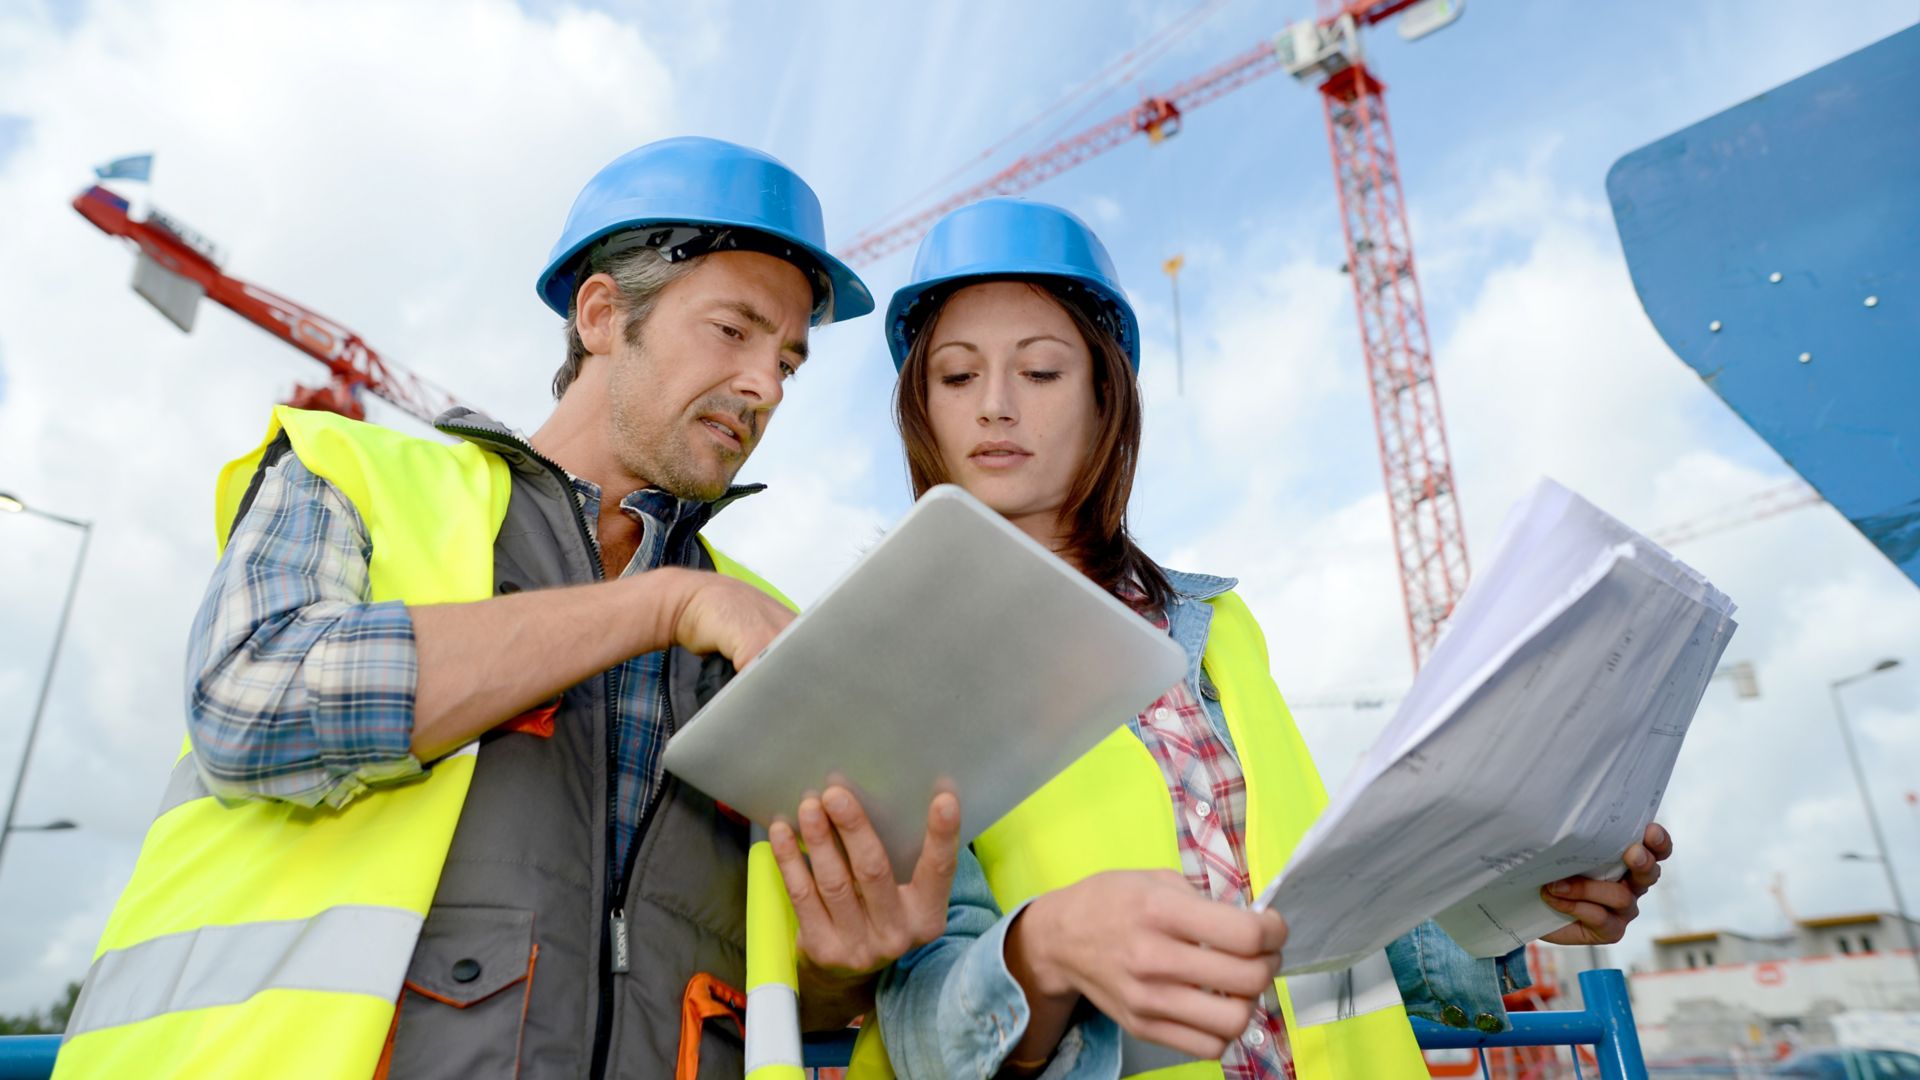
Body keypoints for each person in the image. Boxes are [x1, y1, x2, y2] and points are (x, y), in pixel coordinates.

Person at [53, 137, 959, 1080]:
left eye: (789, 362)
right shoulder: (359, 474)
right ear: (603, 313)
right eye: (734, 331)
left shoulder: (764, 619)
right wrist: (661, 605)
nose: (764, 387)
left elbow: (773, 970)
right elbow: (249, 703)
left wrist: (850, 963)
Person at [837, 198, 1672, 1079]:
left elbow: (1319, 927)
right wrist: (1040, 952)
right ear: (921, 408)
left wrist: (1528, 900)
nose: (996, 406)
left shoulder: (1221, 630)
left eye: (1040, 373)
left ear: (1103, 399)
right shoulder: (897, 662)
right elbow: (921, 1024)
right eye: (958, 378)